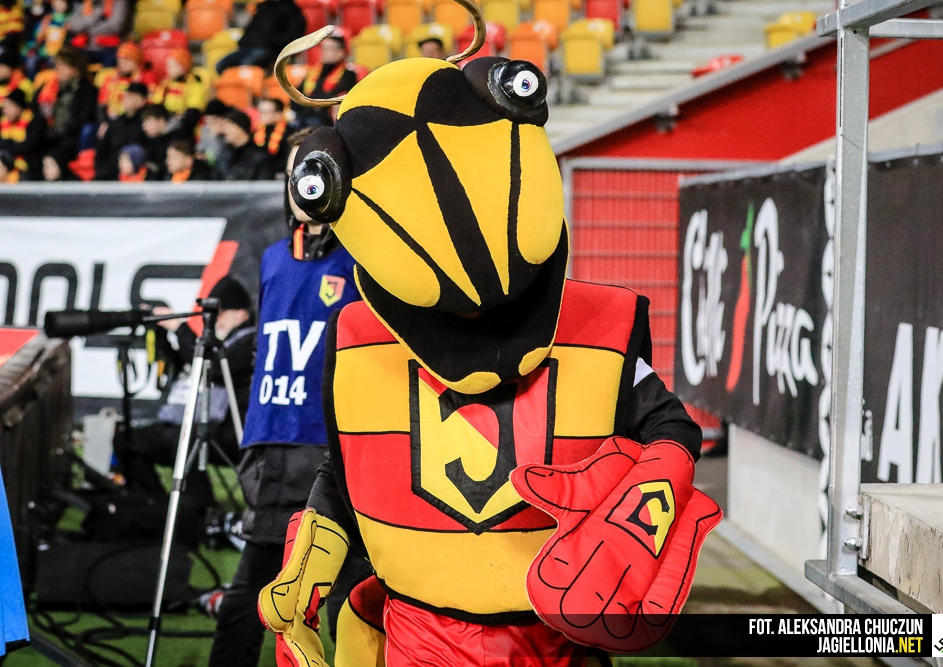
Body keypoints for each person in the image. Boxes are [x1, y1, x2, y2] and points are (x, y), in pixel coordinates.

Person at [260, 41, 719, 667]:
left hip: (553, 639)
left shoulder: (597, 325)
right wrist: (309, 557)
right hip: (418, 637)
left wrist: (640, 510)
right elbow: (347, 470)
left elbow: (669, 427)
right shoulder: (359, 336)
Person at [207, 129, 367, 667]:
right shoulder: (274, 257)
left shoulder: (359, 260)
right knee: (252, 594)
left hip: (328, 448)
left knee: (347, 595)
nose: (303, 182)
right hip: (270, 445)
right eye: (295, 171)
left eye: (314, 169)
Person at [114, 276, 256, 525]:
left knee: (185, 438)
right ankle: (155, 507)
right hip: (194, 420)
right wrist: (163, 337)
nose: (215, 319)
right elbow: (187, 367)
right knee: (127, 439)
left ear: (241, 313)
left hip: (232, 430)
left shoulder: (252, 340)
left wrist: (179, 328)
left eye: (220, 312)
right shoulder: (220, 339)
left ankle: (198, 514)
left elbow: (212, 367)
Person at [35, 45, 97, 173]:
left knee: (51, 159)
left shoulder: (86, 90)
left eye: (62, 66)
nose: (57, 70)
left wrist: (62, 130)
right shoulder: (54, 88)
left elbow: (83, 117)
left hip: (72, 137)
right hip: (52, 135)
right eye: (57, 66)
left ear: (75, 69)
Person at [214, 0, 304, 74]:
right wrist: (244, 41)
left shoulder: (293, 12)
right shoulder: (263, 9)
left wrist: (271, 41)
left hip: (273, 51)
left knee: (246, 65)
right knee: (221, 65)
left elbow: (292, 38)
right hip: (249, 48)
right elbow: (250, 31)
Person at [290, 31, 357, 128]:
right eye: (323, 48)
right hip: (305, 116)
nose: (324, 52)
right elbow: (297, 96)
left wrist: (311, 103)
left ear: (341, 52)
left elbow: (334, 98)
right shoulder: (312, 73)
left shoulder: (349, 74)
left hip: (326, 120)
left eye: (329, 49)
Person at [94, 81, 145, 180]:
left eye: (132, 97)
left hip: (134, 175)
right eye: (126, 96)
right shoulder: (114, 123)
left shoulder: (145, 124)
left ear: (142, 100)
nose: (126, 100)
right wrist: (101, 170)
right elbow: (102, 151)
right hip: (109, 171)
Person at [149, 48, 207, 131]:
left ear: (183, 66)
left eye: (172, 66)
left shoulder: (194, 84)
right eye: (168, 66)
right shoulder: (166, 83)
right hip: (166, 121)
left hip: (185, 126)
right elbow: (156, 104)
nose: (168, 69)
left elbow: (193, 111)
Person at [94, 41, 154, 120]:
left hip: (135, 118)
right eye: (120, 61)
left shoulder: (146, 77)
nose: (121, 64)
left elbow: (150, 101)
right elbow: (102, 104)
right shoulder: (111, 78)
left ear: (135, 61)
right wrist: (104, 121)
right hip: (111, 119)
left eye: (126, 61)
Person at [212, 108, 272, 181]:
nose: (224, 131)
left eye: (229, 126)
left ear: (240, 128)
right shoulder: (223, 154)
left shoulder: (260, 156)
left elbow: (264, 182)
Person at [0, 88, 46, 179]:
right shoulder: (3, 121)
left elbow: (28, 146)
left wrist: (8, 143)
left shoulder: (35, 121)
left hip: (29, 167)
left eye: (7, 107)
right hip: (7, 164)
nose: (4, 111)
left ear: (17, 107)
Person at [20, 0, 69, 74]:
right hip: (43, 50)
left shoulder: (70, 20)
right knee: (31, 61)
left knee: (53, 62)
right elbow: (37, 37)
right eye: (57, 2)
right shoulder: (46, 19)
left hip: (60, 51)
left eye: (62, 2)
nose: (59, 5)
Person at [252, 96, 287, 172]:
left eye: (266, 112)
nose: (261, 115)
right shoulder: (256, 132)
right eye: (260, 112)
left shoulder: (288, 132)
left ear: (279, 114)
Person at [139, 102, 171, 180]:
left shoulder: (178, 138)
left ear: (161, 121)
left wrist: (157, 168)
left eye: (147, 122)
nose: (144, 127)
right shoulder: (150, 141)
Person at [196, 98, 228, 168]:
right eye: (207, 121)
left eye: (214, 122)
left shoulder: (228, 135)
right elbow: (200, 148)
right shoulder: (205, 129)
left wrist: (218, 136)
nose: (210, 126)